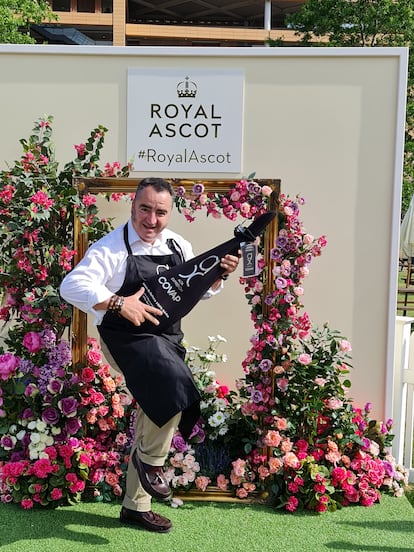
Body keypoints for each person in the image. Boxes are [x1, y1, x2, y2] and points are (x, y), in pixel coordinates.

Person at [60, 177, 240, 533]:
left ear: (170, 213)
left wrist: (218, 278)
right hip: (124, 336)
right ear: (133, 206)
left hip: (166, 336)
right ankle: (152, 461)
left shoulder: (178, 244)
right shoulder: (110, 248)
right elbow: (71, 285)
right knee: (170, 386)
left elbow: (196, 292)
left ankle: (135, 506)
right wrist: (118, 302)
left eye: (160, 212)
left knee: (157, 404)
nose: (152, 219)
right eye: (145, 209)